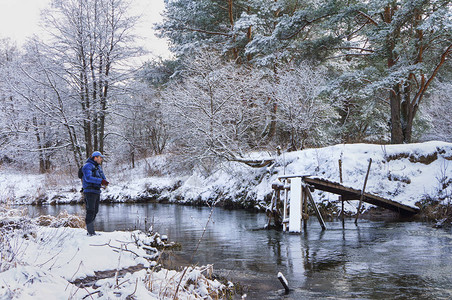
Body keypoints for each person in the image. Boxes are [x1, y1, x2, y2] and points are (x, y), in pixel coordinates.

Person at [81, 151, 109, 236]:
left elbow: (102, 177)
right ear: (95, 157)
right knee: (90, 211)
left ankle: (91, 231)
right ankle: (90, 232)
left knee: (95, 211)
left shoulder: (98, 167)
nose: (101, 159)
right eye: (100, 158)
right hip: (89, 192)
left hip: (97, 191)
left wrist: (105, 182)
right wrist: (101, 181)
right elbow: (88, 178)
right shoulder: (87, 166)